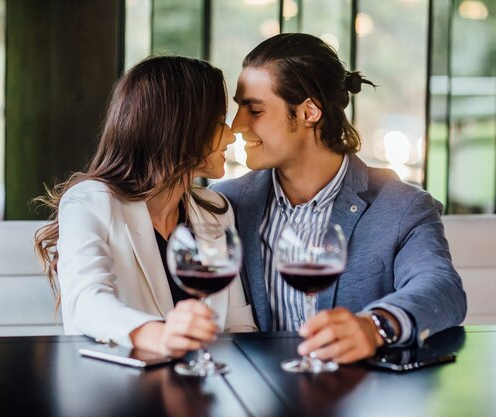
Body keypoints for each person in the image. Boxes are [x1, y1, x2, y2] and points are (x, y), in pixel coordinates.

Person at [212, 33, 466, 364]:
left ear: (309, 111)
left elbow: (442, 288)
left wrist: (375, 326)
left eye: (254, 109)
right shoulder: (225, 204)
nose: (237, 125)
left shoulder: (402, 206)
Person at [34, 56, 257, 358]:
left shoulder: (215, 209)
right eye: (218, 123)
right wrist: (160, 335)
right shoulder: (89, 202)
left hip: (205, 389)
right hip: (119, 389)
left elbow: (237, 324)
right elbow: (86, 300)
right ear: (179, 129)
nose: (231, 135)